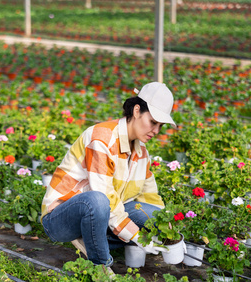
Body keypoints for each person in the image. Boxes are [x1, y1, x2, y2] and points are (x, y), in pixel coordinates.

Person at [40, 82, 176, 267]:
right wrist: (138, 236)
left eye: (160, 125)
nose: (156, 131)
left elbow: (150, 197)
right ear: (137, 111)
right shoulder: (102, 139)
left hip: (103, 215)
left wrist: (169, 230)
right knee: (98, 201)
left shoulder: (141, 152)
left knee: (155, 214)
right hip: (60, 218)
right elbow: (104, 196)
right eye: (153, 122)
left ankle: (94, 239)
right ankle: (101, 265)